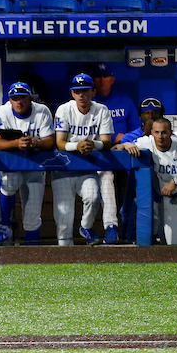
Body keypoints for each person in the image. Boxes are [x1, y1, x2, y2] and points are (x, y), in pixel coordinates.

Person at [52, 72, 114, 246]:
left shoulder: (101, 109)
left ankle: (85, 226)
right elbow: (60, 143)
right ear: (72, 93)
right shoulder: (64, 109)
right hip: (63, 170)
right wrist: (78, 145)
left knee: (93, 197)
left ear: (93, 92)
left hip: (87, 168)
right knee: (64, 222)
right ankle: (64, 261)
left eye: (85, 90)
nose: (81, 95)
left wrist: (93, 144)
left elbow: (107, 141)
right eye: (77, 91)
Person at [0, 82, 55, 246]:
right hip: (12, 164)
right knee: (8, 183)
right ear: (10, 100)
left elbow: (50, 142)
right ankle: (5, 226)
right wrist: (16, 144)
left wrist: (36, 143)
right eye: (15, 98)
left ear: (30, 98)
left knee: (33, 215)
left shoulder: (42, 111)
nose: (19, 102)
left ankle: (31, 256)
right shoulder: (2, 111)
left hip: (35, 165)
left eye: (22, 98)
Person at [117, 118, 177, 246]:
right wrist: (127, 145)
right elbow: (118, 146)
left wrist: (175, 181)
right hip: (168, 198)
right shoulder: (147, 142)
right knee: (175, 244)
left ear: (171, 133)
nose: (160, 136)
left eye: (163, 132)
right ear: (151, 132)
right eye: (156, 132)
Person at [90, 63, 137, 245]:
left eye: (105, 76)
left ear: (112, 79)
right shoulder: (89, 103)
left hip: (123, 155)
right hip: (100, 155)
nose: (101, 81)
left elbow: (137, 131)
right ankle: (110, 229)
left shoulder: (124, 100)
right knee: (104, 185)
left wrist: (125, 139)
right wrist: (112, 137)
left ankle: (128, 236)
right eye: (98, 77)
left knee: (129, 195)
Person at [115, 97, 167, 244]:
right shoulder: (131, 136)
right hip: (135, 191)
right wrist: (124, 145)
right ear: (140, 116)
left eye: (155, 113)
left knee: (165, 238)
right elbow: (115, 148)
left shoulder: (168, 137)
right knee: (131, 236)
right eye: (146, 113)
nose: (150, 116)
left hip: (163, 191)